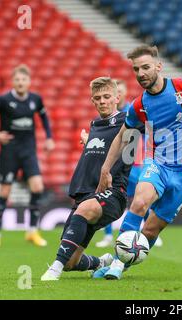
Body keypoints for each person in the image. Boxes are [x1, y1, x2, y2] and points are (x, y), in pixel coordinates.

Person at [94, 45, 182, 280]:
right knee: (139, 202)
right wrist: (106, 167)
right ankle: (116, 263)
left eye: (145, 67)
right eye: (136, 69)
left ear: (158, 66)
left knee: (151, 230)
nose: (141, 73)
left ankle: (123, 265)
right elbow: (123, 136)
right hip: (158, 164)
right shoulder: (138, 105)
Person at [40, 77, 135, 281]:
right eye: (97, 98)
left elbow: (129, 151)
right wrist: (89, 142)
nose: (102, 101)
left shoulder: (128, 121)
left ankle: (53, 269)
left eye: (107, 97)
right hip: (86, 194)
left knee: (84, 211)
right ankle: (101, 262)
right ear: (92, 101)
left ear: (117, 97)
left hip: (113, 193)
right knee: (71, 262)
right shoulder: (95, 126)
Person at [0, 64, 55, 247]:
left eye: (23, 79)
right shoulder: (2, 100)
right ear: (13, 82)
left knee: (37, 187)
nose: (20, 82)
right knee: (5, 192)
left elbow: (44, 118)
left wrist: (49, 138)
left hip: (28, 149)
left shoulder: (36, 99)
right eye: (17, 80)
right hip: (10, 151)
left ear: (29, 82)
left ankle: (32, 231)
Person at [95, 79, 164, 248]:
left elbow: (149, 130)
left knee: (141, 199)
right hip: (115, 162)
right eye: (116, 90)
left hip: (135, 162)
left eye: (121, 91)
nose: (119, 93)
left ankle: (149, 230)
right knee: (108, 197)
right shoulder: (106, 116)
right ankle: (108, 235)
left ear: (122, 95)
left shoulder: (132, 112)